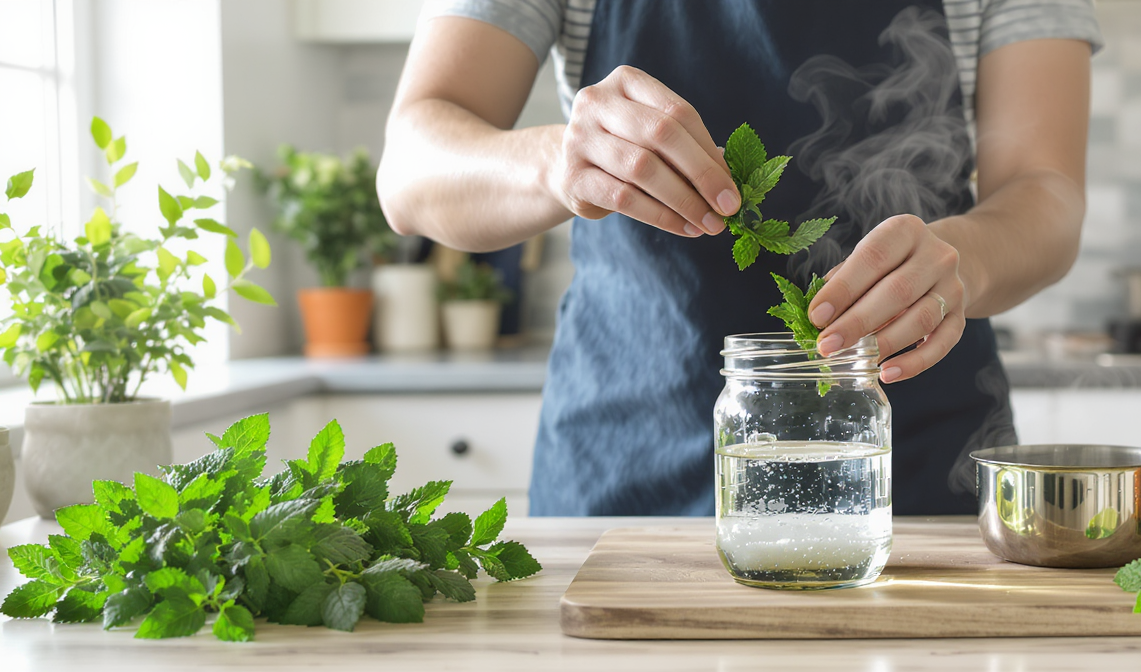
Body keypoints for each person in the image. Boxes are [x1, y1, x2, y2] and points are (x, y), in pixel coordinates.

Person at [378, 0, 1101, 515]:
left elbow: (1047, 194)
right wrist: (556, 161)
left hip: (907, 472)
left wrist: (963, 258)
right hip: (628, 474)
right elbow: (411, 170)